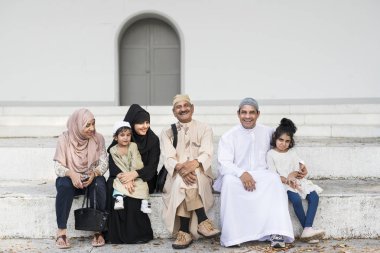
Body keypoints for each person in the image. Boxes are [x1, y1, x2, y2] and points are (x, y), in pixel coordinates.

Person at [213, 97, 297, 248]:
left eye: (252, 112)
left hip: (262, 175)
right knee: (229, 183)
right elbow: (224, 163)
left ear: (258, 114)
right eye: (244, 112)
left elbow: (285, 146)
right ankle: (234, 236)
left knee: (274, 180)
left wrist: (301, 165)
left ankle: (275, 231)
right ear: (238, 114)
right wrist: (241, 173)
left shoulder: (268, 132)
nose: (247, 116)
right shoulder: (229, 136)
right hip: (236, 176)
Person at [160, 94, 220, 250]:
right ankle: (203, 221)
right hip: (176, 175)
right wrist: (181, 169)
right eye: (178, 107)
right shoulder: (167, 133)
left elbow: (207, 153)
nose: (183, 109)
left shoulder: (205, 128)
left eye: (186, 105)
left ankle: (184, 232)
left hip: (201, 172)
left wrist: (192, 165)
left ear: (192, 108)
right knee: (182, 181)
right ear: (174, 112)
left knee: (188, 180)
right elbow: (169, 158)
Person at [54, 108, 108, 249]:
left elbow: (104, 163)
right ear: (77, 125)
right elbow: (58, 167)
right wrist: (72, 174)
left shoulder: (98, 138)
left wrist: (94, 173)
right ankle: (61, 231)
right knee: (64, 185)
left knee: (100, 184)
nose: (92, 128)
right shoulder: (64, 139)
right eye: (88, 125)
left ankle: (98, 230)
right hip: (70, 177)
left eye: (93, 124)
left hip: (90, 178)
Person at [106, 104, 160, 244]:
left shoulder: (153, 140)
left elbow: (152, 168)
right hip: (122, 176)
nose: (145, 126)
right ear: (131, 123)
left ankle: (138, 235)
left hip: (145, 176)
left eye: (147, 122)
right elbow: (113, 165)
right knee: (112, 186)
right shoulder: (120, 141)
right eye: (140, 122)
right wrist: (126, 178)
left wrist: (134, 174)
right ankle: (116, 235)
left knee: (135, 190)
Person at [267, 118, 325, 243]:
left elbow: (298, 165)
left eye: (287, 141)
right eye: (281, 140)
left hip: (296, 180)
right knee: (296, 200)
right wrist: (287, 180)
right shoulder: (271, 154)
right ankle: (307, 231)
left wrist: (297, 171)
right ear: (275, 139)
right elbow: (272, 173)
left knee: (314, 197)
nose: (284, 143)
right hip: (283, 183)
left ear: (291, 142)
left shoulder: (292, 152)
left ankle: (307, 228)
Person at [110, 121, 151, 214]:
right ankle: (119, 199)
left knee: (143, 184)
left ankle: (145, 203)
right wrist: (126, 178)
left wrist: (131, 176)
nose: (126, 137)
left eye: (128, 135)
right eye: (122, 135)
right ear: (115, 137)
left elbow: (135, 161)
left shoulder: (133, 146)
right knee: (117, 182)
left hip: (133, 173)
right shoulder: (113, 150)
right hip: (123, 174)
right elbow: (117, 164)